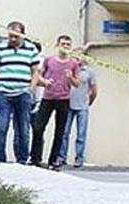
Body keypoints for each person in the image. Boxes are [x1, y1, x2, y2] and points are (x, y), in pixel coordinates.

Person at [0, 21, 41, 164]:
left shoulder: (31, 49)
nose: (13, 39)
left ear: (23, 35)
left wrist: (30, 90)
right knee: (1, 127)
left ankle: (22, 159)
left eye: (16, 36)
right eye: (10, 36)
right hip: (3, 93)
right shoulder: (0, 48)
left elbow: (35, 72)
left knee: (23, 128)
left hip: (23, 94)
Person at [29, 35, 80, 169]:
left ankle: (53, 160)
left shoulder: (74, 63)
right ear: (57, 45)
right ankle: (35, 158)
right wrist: (45, 82)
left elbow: (77, 83)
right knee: (38, 128)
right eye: (63, 44)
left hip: (63, 99)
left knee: (60, 131)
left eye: (68, 44)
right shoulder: (49, 60)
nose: (65, 46)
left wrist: (70, 78)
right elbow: (38, 75)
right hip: (48, 98)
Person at [58, 46, 97, 168]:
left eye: (79, 56)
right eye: (74, 55)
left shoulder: (89, 72)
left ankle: (79, 158)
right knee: (64, 133)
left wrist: (88, 102)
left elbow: (94, 90)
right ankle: (61, 157)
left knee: (81, 134)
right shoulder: (67, 70)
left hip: (82, 106)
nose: (77, 58)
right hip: (68, 104)